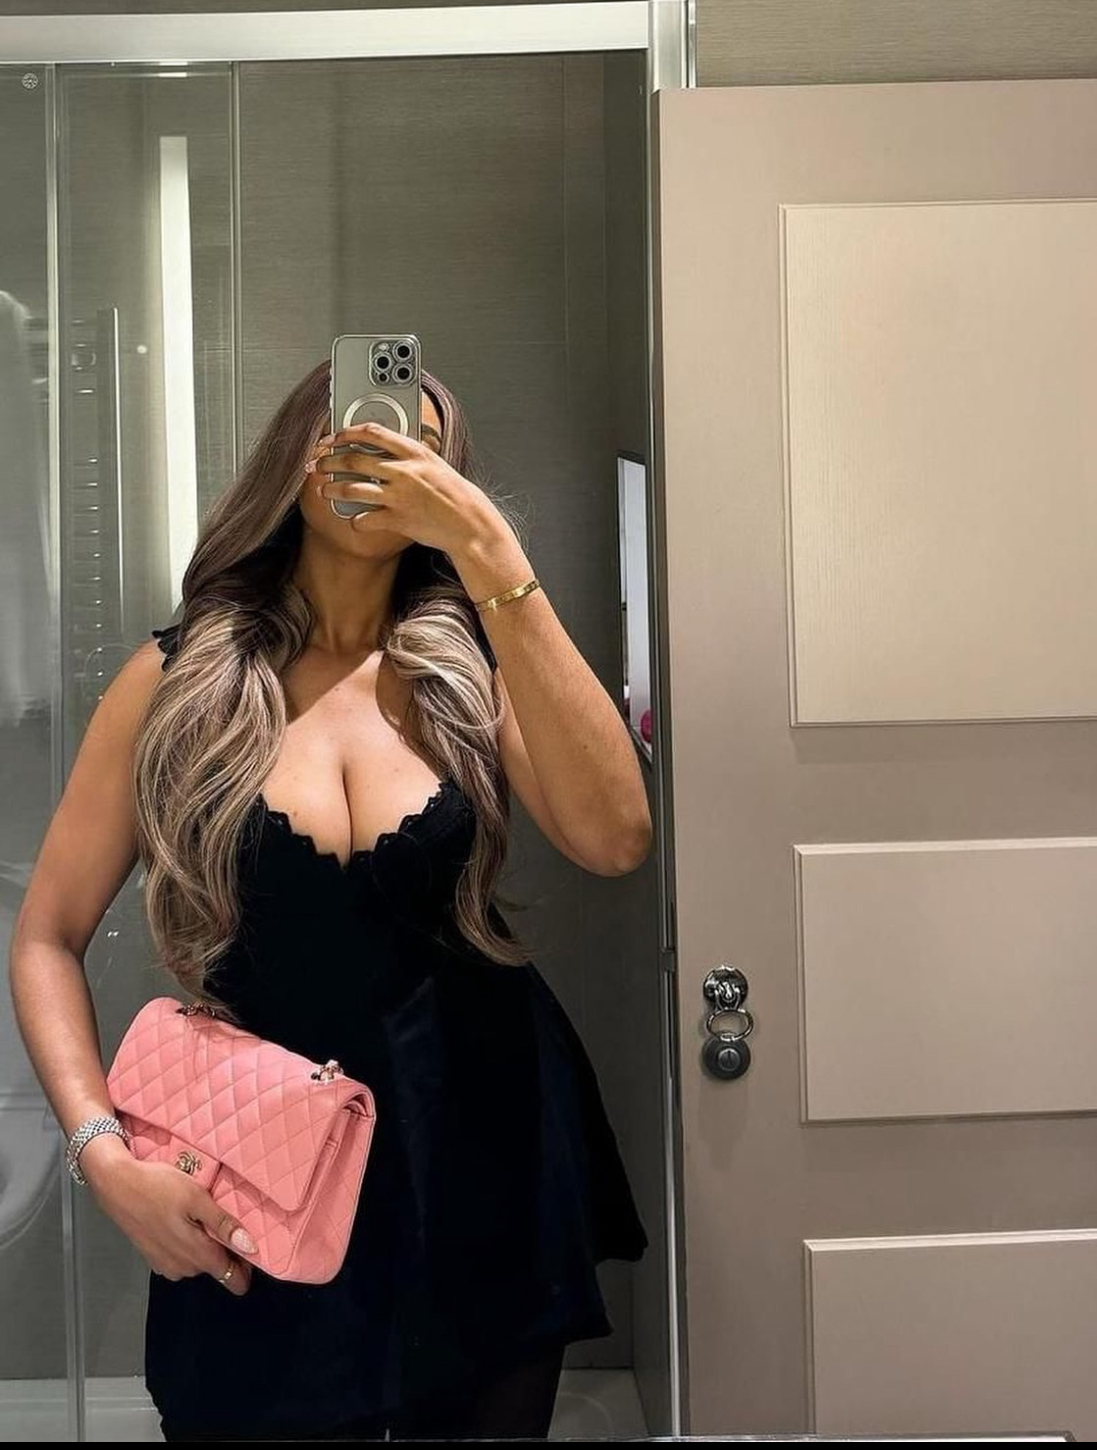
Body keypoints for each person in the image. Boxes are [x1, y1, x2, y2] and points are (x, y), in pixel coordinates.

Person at [9, 359, 651, 1441]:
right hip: (261, 1175)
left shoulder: (474, 674)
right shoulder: (177, 681)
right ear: (293, 457)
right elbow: (46, 936)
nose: (377, 453)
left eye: (415, 444)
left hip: (486, 1150)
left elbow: (615, 837)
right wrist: (101, 1156)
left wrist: (494, 555)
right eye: (354, 425)